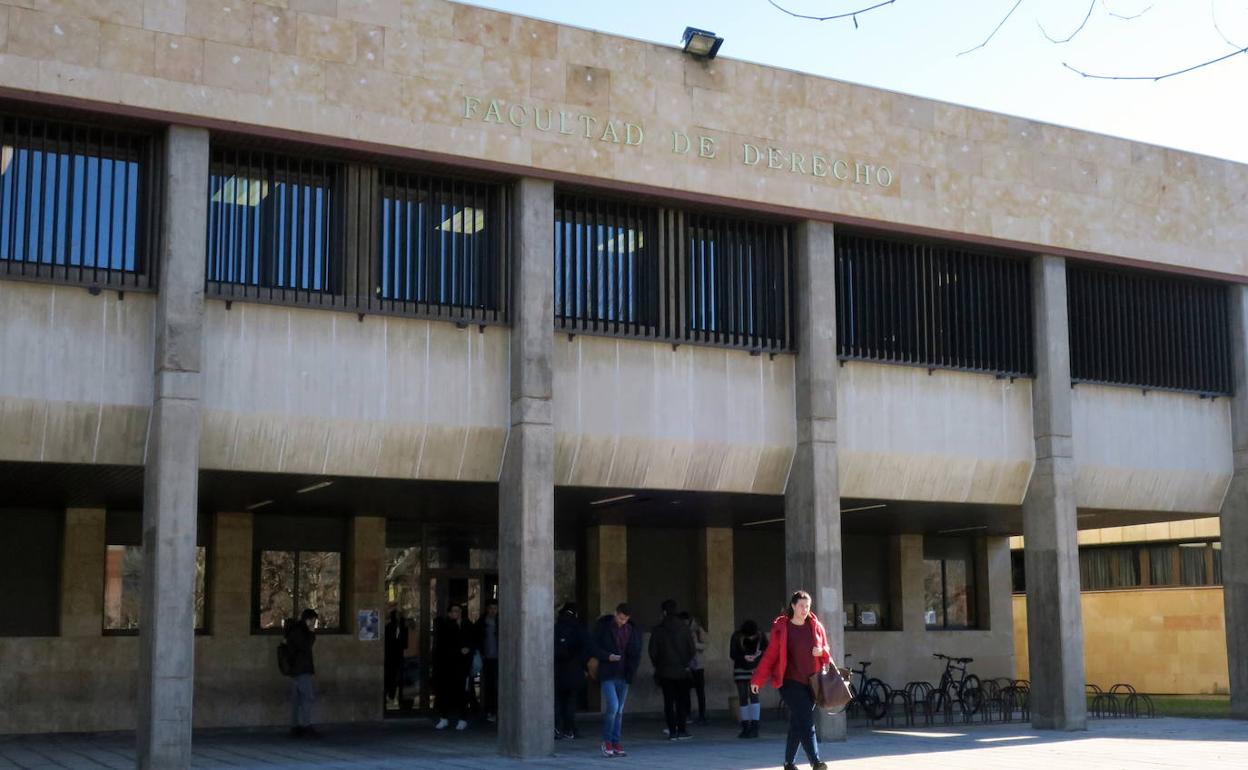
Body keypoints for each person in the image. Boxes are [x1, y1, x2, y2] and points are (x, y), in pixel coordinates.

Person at [750, 590, 830, 770]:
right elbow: (770, 656)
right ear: (793, 606)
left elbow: (826, 652)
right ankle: (815, 761)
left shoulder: (816, 626)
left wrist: (822, 651)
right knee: (806, 720)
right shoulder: (782, 628)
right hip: (790, 683)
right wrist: (758, 679)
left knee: (797, 722)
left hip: (812, 683)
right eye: (801, 605)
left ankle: (789, 763)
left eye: (807, 606)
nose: (804, 609)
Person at [591, 602, 642, 758]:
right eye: (620, 618)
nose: (622, 622)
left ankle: (616, 742)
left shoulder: (631, 631)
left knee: (619, 710)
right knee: (613, 706)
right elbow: (593, 647)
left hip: (624, 674)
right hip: (608, 672)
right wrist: (607, 656)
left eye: (625, 619)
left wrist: (631, 670)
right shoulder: (604, 628)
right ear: (615, 613)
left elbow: (635, 652)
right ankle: (607, 742)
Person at [649, 599, 695, 741]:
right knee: (681, 701)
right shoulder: (684, 628)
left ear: (663, 612)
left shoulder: (658, 630)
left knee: (668, 702)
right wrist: (685, 662)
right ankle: (682, 729)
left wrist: (659, 665)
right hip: (682, 671)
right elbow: (691, 650)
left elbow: (652, 651)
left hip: (665, 671)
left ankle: (672, 731)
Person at [433, 604, 475, 731]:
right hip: (447, 665)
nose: (456, 613)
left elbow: (473, 640)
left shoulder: (467, 625)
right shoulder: (445, 626)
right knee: (445, 692)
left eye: (458, 611)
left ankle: (463, 719)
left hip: (463, 665)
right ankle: (444, 718)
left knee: (462, 692)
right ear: (449, 613)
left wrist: (468, 649)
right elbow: (442, 646)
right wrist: (458, 651)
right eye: (454, 611)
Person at [553, 602, 588, 740]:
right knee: (570, 702)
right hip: (574, 670)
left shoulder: (557, 627)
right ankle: (570, 729)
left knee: (558, 701)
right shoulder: (577, 629)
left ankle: (556, 728)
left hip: (558, 670)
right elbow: (585, 648)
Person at [286, 608, 320, 738]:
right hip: (302, 669)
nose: (314, 624)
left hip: (296, 669)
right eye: (313, 621)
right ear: (309, 620)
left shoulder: (295, 631)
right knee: (307, 697)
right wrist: (311, 633)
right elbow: (306, 647)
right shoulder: (301, 632)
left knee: (297, 699)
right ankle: (306, 725)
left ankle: (295, 726)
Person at [730, 619, 767, 738]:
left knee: (747, 697)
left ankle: (750, 727)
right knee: (750, 697)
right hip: (749, 669)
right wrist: (748, 657)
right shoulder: (758, 635)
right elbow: (733, 653)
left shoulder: (738, 636)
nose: (751, 638)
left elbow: (767, 651)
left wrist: (749, 657)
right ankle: (750, 727)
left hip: (747, 669)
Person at [679, 610, 709, 724]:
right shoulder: (682, 630)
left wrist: (693, 644)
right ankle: (687, 714)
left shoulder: (698, 630)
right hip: (686, 665)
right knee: (685, 691)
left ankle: (702, 714)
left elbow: (705, 645)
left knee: (700, 691)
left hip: (698, 665)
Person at [478, 600, 499, 723]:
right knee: (488, 685)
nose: (493, 610)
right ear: (487, 609)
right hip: (486, 658)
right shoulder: (482, 622)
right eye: (490, 608)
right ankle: (489, 711)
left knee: (496, 686)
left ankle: (495, 711)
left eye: (495, 608)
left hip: (498, 658)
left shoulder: (501, 621)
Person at [384, 605, 409, 710]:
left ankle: (399, 698)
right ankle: (390, 694)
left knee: (398, 677)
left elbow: (405, 643)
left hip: (399, 655)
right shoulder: (389, 627)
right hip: (391, 656)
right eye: (397, 616)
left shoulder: (403, 628)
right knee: (390, 677)